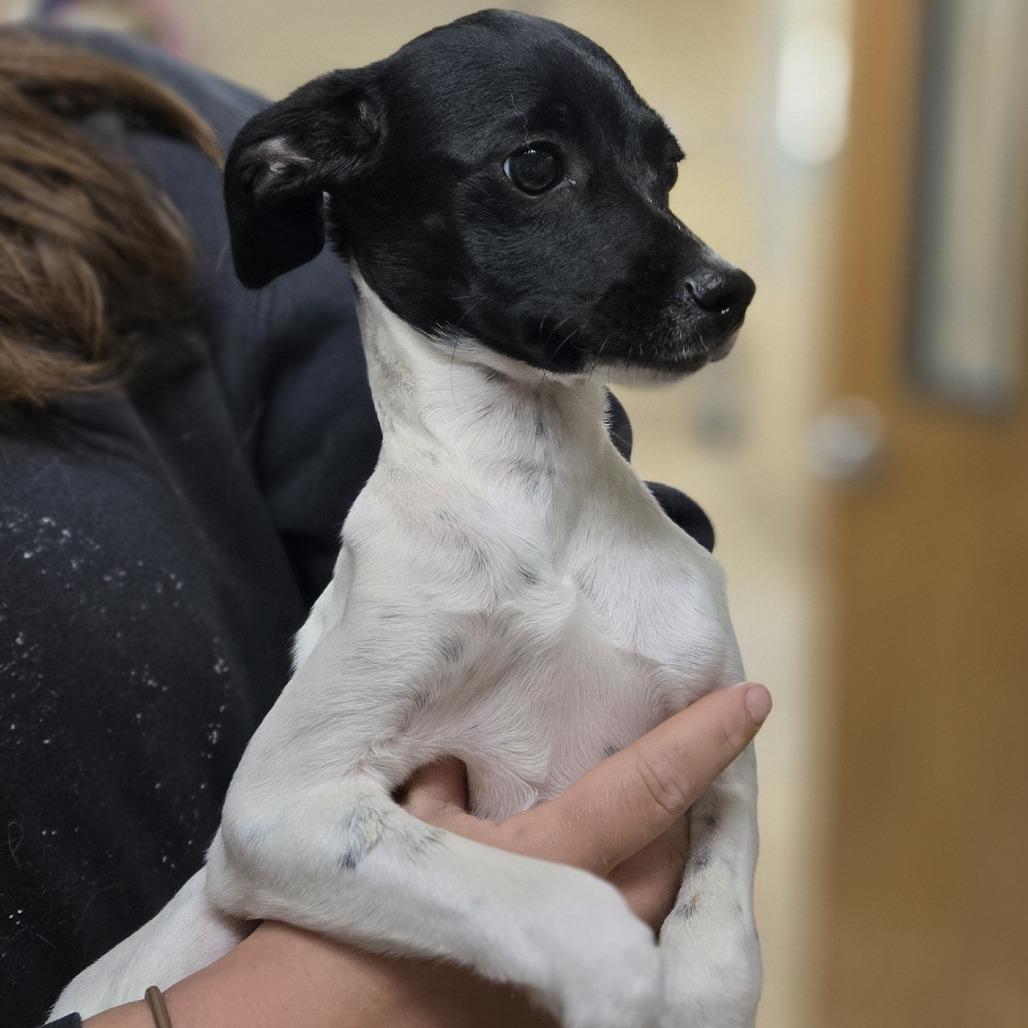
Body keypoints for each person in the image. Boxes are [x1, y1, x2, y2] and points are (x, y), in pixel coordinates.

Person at [0, 25, 771, 1028]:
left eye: (654, 173)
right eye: (537, 167)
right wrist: (506, 939)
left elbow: (706, 775)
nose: (706, 268)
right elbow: (270, 826)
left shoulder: (128, 132)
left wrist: (708, 970)